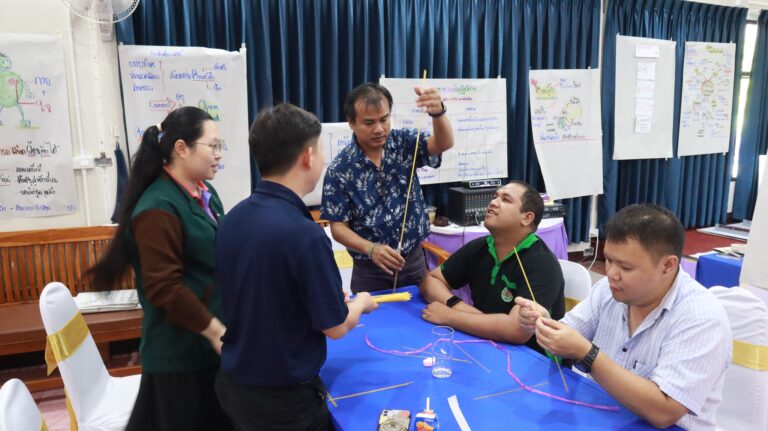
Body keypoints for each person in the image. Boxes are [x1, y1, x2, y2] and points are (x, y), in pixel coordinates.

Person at [214, 103, 379, 430]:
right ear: (307, 156)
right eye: (321, 151)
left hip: (234, 385)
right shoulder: (304, 235)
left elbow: (265, 294)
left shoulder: (232, 218)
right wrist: (361, 303)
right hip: (283, 404)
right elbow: (335, 327)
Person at [517, 204, 731, 430]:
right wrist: (544, 324)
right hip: (603, 416)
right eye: (608, 260)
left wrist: (587, 355)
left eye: (626, 267)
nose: (611, 273)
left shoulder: (701, 317)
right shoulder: (609, 290)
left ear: (668, 265)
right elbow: (566, 338)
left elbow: (664, 412)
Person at [87, 106, 232, 430]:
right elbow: (164, 287)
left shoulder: (205, 193)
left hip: (209, 345)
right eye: (213, 146)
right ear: (182, 148)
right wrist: (214, 331)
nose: (219, 154)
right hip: (180, 354)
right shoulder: (158, 207)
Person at [321, 83, 454, 293]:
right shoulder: (340, 169)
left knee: (423, 312)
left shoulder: (404, 142)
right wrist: (371, 249)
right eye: (369, 122)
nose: (379, 129)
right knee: (372, 314)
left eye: (384, 119)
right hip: (369, 271)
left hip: (413, 261)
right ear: (351, 123)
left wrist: (438, 113)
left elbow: (443, 143)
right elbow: (338, 228)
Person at [419, 181, 565, 354]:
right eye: (495, 197)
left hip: (530, 357)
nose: (493, 202)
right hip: (484, 342)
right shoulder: (482, 246)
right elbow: (430, 281)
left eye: (506, 199)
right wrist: (459, 307)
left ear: (526, 218)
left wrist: (449, 316)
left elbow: (517, 331)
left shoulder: (542, 263)